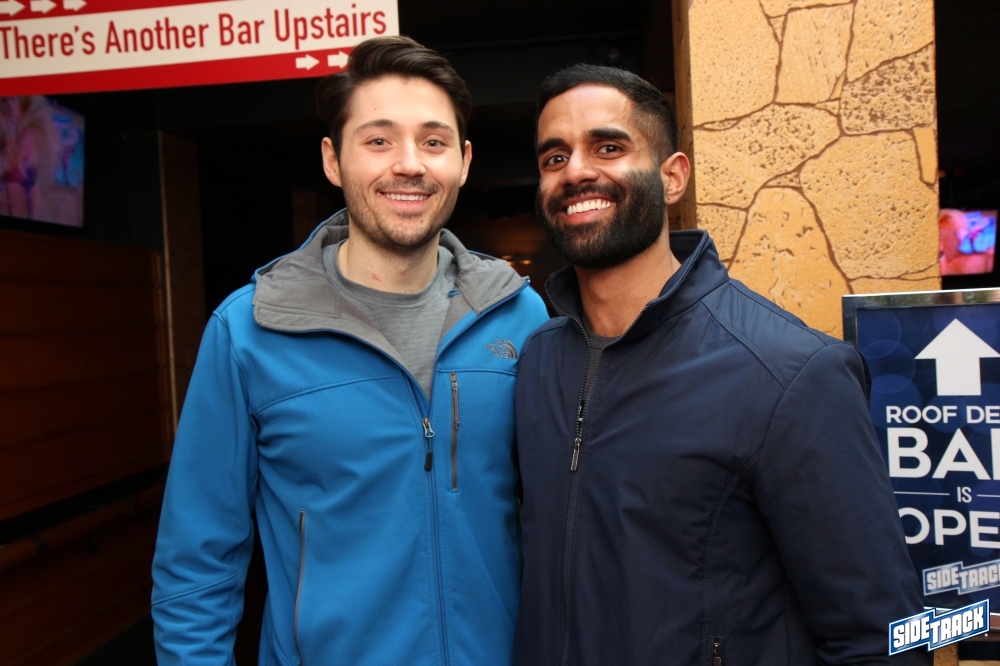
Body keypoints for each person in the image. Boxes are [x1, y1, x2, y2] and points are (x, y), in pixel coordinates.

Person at [513, 64, 929, 666]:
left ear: (672, 177)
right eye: (555, 157)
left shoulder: (789, 373)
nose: (576, 171)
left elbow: (881, 639)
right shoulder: (537, 362)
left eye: (608, 147)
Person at [152, 36, 549, 666]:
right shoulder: (248, 330)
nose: (410, 164)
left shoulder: (520, 316)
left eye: (434, 141)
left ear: (464, 161)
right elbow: (197, 561)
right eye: (379, 140)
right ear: (333, 160)